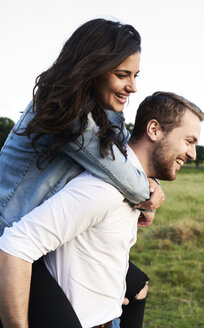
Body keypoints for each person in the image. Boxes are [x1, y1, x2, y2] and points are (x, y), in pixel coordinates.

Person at [0, 19, 164, 327]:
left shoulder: (108, 114)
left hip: (38, 238)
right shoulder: (66, 111)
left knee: (137, 284)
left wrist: (150, 183)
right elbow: (128, 178)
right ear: (93, 69)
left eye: (135, 75)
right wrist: (147, 191)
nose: (133, 86)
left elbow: (127, 162)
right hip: (10, 242)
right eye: (122, 75)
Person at [0, 92, 204, 327]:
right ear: (154, 130)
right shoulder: (104, 189)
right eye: (189, 141)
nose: (193, 154)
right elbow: (16, 244)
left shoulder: (129, 183)